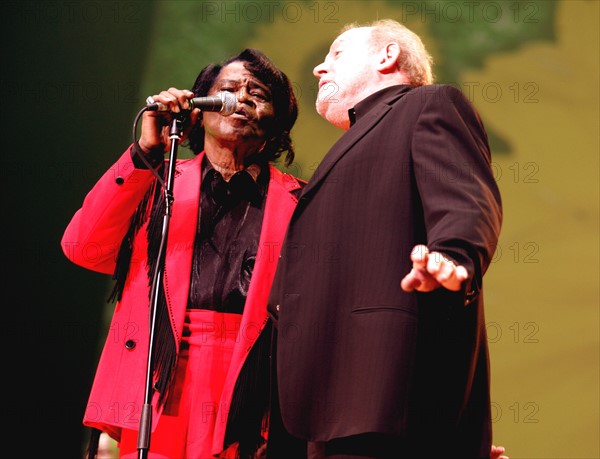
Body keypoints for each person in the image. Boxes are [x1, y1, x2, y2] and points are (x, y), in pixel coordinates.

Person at [267, 19, 503, 459]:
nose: (319, 68)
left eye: (335, 54)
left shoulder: (429, 105)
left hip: (385, 392)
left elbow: (465, 198)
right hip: (326, 400)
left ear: (387, 56)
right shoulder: (353, 144)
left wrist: (454, 257)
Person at [62, 48, 303, 459]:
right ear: (199, 110)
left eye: (258, 93)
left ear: (276, 122)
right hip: (163, 375)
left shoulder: (300, 201)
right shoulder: (157, 180)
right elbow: (85, 248)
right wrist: (145, 153)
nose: (241, 98)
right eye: (227, 89)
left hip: (253, 376)